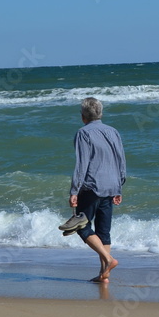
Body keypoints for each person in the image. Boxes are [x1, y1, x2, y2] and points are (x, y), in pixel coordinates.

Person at [69, 97, 126, 283]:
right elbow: (121, 160)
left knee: (80, 225)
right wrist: (119, 186)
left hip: (92, 186)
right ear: (100, 113)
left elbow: (82, 164)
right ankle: (104, 274)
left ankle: (109, 260)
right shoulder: (113, 131)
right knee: (104, 231)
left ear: (83, 116)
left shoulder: (83, 133)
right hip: (111, 185)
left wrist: (74, 191)